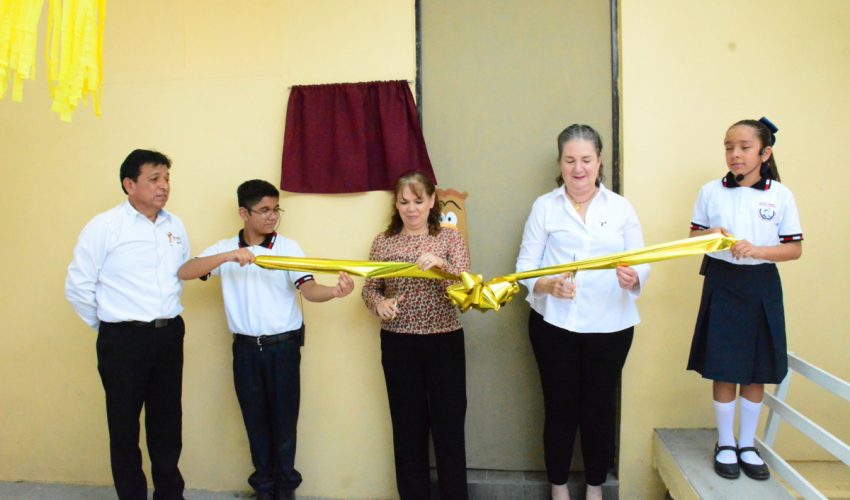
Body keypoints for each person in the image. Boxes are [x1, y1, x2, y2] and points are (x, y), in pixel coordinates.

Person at [177, 179, 354, 500]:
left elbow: (309, 289)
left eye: (276, 210)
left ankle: (286, 489)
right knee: (254, 422)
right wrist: (229, 256)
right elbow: (186, 271)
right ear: (243, 213)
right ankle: (264, 488)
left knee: (284, 423)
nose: (272, 216)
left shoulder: (288, 249)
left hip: (283, 348)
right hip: (245, 349)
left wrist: (334, 292)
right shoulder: (226, 249)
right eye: (264, 210)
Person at [515, 124, 649, 500]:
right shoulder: (545, 207)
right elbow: (525, 268)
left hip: (611, 326)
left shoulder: (620, 208)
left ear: (599, 160)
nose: (579, 168)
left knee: (599, 408)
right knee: (559, 407)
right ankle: (558, 487)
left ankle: (594, 488)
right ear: (560, 163)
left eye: (586, 160)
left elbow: (642, 261)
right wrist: (548, 285)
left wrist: (633, 277)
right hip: (554, 325)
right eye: (570, 160)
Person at [65, 149, 190, 500]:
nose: (164, 186)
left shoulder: (175, 225)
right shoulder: (104, 226)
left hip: (168, 334)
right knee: (123, 427)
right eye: (154, 179)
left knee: (167, 423)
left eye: (167, 179)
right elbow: (78, 286)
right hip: (123, 339)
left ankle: (170, 494)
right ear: (129, 184)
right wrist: (111, 326)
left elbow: (180, 273)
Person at [687, 117, 802, 481]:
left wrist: (757, 250)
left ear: (764, 153)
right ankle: (725, 442)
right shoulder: (711, 191)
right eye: (729, 147)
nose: (735, 154)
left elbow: (794, 248)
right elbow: (692, 238)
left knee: (756, 367)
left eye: (744, 147)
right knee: (724, 365)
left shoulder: (780, 195)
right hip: (722, 283)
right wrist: (711, 234)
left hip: (761, 285)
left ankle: (747, 444)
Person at [361, 171, 471, 500]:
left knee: (449, 426)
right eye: (404, 202)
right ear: (396, 205)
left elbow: (466, 289)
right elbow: (370, 288)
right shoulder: (384, 242)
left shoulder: (449, 240)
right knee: (407, 426)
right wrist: (379, 304)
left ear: (432, 201)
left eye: (418, 201)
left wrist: (441, 267)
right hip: (399, 343)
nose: (411, 209)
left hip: (444, 341)